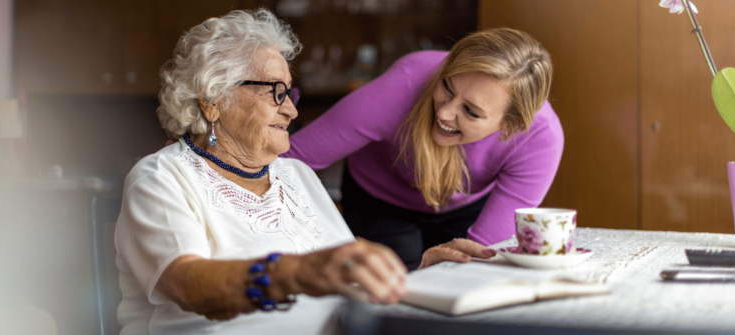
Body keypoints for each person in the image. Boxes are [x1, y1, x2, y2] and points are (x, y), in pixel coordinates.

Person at [114, 9, 495, 335]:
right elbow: (188, 285)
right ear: (213, 101)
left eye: (290, 94)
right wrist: (294, 273)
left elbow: (343, 279)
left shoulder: (295, 175)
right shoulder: (162, 178)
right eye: (274, 93)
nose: (292, 111)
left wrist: (420, 273)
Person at [282, 28, 562, 270]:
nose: (445, 113)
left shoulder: (539, 138)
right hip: (380, 199)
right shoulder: (404, 84)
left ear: (510, 126)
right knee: (390, 294)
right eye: (447, 87)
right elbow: (288, 160)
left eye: (470, 111)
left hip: (465, 205)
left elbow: (482, 257)